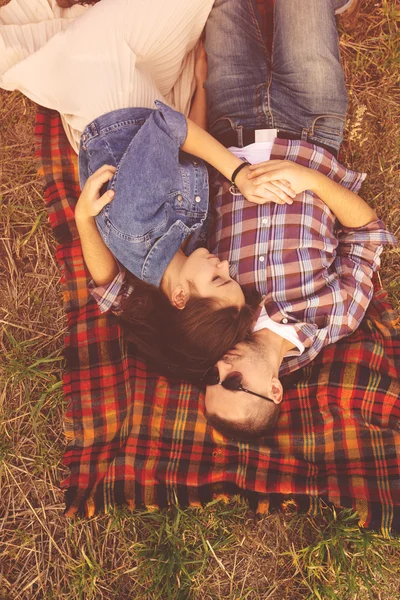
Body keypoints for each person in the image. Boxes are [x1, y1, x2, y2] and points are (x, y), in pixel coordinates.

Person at [200, 0, 396, 440]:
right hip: (312, 123)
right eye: (234, 384)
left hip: (230, 125)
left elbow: (126, 299)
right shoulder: (334, 318)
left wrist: (84, 220)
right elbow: (368, 234)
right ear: (274, 390)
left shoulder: (215, 319)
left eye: (211, 379)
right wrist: (307, 180)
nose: (221, 369)